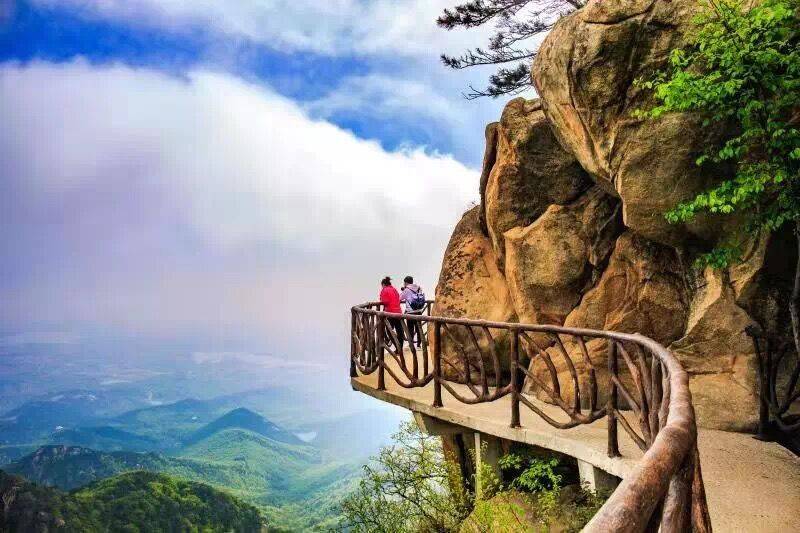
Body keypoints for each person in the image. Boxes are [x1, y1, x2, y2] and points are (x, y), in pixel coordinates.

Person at [379, 276, 404, 352]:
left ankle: (397, 347)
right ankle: (400, 347)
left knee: (389, 330)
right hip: (398, 312)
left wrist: (381, 299)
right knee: (399, 330)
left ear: (383, 284)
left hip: (390, 313)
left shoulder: (384, 290)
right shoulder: (394, 289)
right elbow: (398, 299)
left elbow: (384, 301)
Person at [400, 275, 426, 348]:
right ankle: (419, 345)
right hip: (419, 311)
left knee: (410, 329)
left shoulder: (406, 290)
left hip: (410, 312)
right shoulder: (419, 288)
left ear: (406, 282)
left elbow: (400, 298)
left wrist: (404, 290)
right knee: (419, 328)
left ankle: (411, 345)